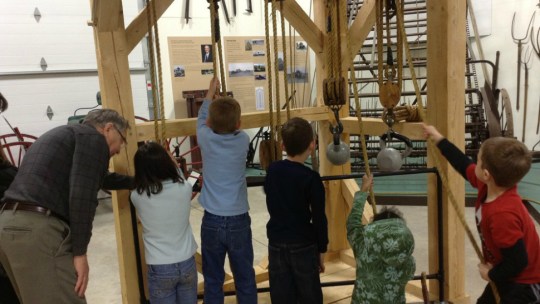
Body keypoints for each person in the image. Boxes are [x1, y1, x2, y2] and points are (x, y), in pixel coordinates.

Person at [0, 109, 130, 303]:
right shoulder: (93, 138)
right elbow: (83, 196)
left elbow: (101, 178)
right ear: (108, 128)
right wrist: (80, 252)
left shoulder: (64, 135)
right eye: (122, 140)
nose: (119, 150)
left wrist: (138, 181)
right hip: (37, 228)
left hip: (8, 224)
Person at [423, 124, 540, 304]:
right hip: (507, 273)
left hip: (523, 283)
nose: (473, 162)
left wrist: (492, 274)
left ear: (486, 174)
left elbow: (518, 261)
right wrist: (438, 138)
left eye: (477, 159)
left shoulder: (502, 214)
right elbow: (462, 164)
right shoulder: (487, 185)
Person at [197, 77, 257, 304]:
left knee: (213, 278)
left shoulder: (205, 137)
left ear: (210, 124)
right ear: (239, 124)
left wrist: (210, 93)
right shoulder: (243, 140)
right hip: (238, 220)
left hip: (212, 220)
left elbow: (202, 119)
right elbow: (210, 121)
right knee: (245, 276)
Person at [263, 117, 328, 304]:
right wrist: (322, 249)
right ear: (312, 145)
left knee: (281, 294)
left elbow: (270, 193)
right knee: (310, 295)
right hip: (303, 244)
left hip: (276, 243)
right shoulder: (311, 178)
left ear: (282, 145)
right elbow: (319, 218)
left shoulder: (273, 170)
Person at [130, 142, 198, 304]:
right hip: (187, 262)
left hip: (159, 266)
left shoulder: (137, 196)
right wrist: (168, 155)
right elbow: (178, 171)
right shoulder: (184, 188)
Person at [347, 174, 415, 304]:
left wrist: (364, 190)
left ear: (375, 227)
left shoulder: (362, 247)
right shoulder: (408, 261)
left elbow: (352, 225)